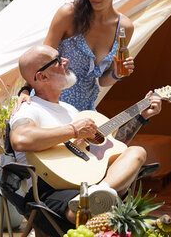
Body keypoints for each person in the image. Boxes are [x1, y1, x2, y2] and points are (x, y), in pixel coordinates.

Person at [9, 45, 162, 236]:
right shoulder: (30, 108)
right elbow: (20, 139)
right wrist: (73, 130)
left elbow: (112, 147)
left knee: (136, 152)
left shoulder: (70, 110)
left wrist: (141, 116)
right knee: (83, 212)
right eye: (58, 60)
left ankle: (100, 193)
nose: (66, 61)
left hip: (88, 183)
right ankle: (96, 199)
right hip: (48, 189)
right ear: (42, 77)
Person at [17, 0, 135, 111]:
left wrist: (118, 73)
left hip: (85, 112)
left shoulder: (124, 27)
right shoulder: (69, 14)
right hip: (50, 107)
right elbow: (41, 61)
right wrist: (24, 91)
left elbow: (103, 81)